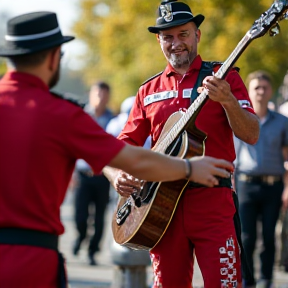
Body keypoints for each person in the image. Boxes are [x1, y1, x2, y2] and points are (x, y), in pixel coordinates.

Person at [0, 11, 234, 288]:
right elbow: (128, 156)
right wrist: (189, 167)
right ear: (54, 57)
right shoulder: (62, 114)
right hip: (33, 260)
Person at [103, 1, 260, 288]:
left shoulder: (226, 77)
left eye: (183, 34)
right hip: (160, 211)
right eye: (168, 37)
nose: (176, 43)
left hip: (213, 203)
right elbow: (117, 148)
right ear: (158, 40)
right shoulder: (147, 90)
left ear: (197, 35)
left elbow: (251, 134)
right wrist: (116, 175)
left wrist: (227, 100)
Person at [234, 70, 288, 288]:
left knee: (268, 236)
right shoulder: (240, 118)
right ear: (249, 91)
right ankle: (248, 280)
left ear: (270, 91)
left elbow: (286, 157)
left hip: (272, 185)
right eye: (256, 87)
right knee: (246, 237)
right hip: (246, 183)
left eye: (264, 88)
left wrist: (287, 188)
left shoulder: (282, 122)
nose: (261, 92)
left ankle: (266, 279)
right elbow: (233, 153)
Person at [72, 81, 114, 266]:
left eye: (104, 94)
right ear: (91, 94)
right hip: (82, 175)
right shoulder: (80, 115)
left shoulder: (112, 119)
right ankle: (81, 237)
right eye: (98, 94)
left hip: (103, 176)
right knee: (80, 216)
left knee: (99, 217)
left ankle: (92, 250)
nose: (101, 98)